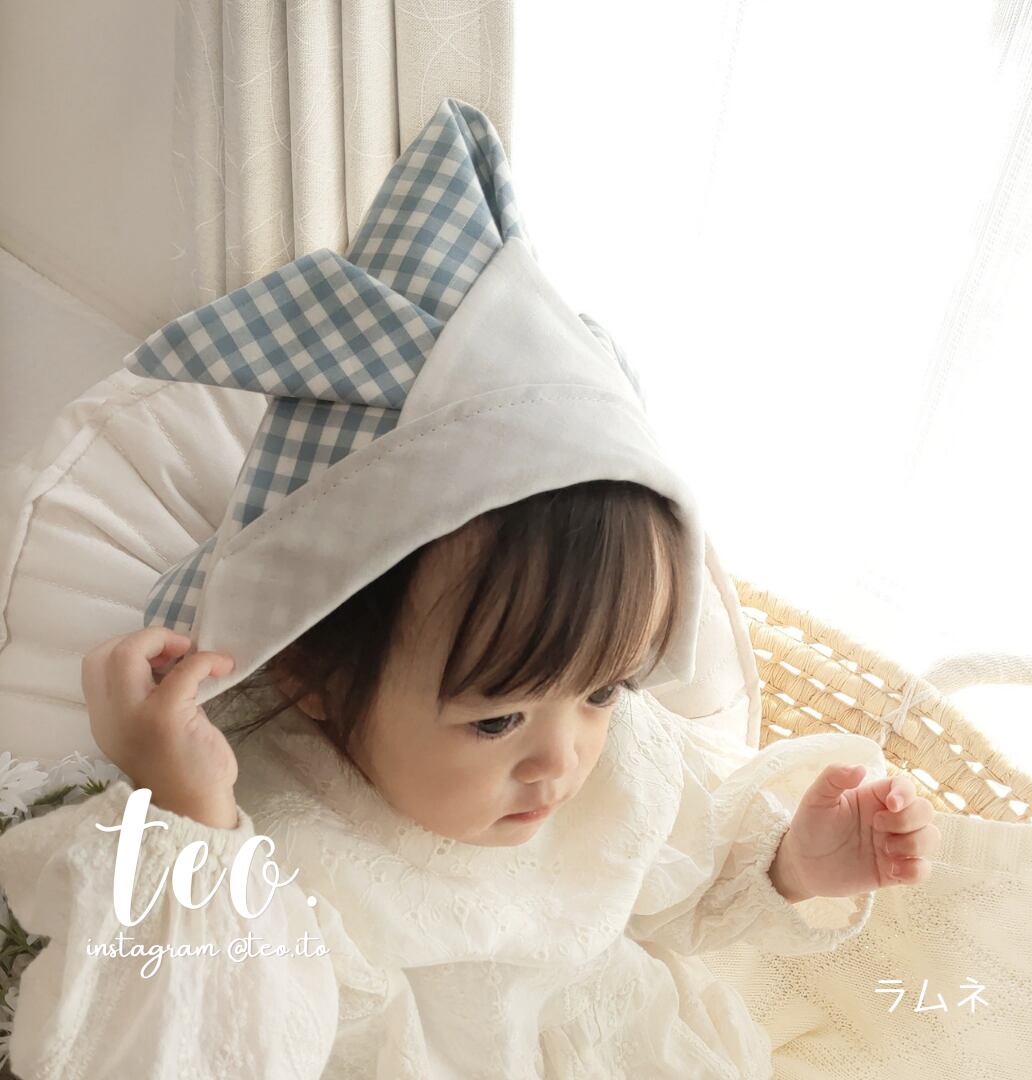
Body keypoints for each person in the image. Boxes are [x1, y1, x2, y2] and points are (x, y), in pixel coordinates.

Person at [0, 98, 939, 1079]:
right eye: (496, 720)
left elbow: (680, 869)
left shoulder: (609, 756)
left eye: (603, 690)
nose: (561, 761)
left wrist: (797, 862)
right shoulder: (280, 845)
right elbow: (199, 1042)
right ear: (317, 670)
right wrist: (188, 810)